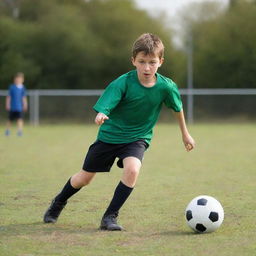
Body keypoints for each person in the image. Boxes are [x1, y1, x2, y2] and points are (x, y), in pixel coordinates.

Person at [43, 33, 195, 231]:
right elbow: (107, 103)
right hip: (109, 136)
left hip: (137, 138)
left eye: (152, 62)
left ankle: (109, 217)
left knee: (132, 169)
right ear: (133, 60)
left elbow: (177, 107)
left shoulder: (166, 87)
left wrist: (185, 134)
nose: (147, 67)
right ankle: (58, 202)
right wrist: (101, 114)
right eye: (142, 62)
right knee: (85, 178)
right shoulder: (123, 82)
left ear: (161, 62)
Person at [5, 72, 28, 136]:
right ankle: (7, 130)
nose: (18, 80)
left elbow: (24, 97)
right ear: (14, 80)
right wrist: (7, 104)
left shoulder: (23, 88)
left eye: (20, 79)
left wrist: (25, 104)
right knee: (10, 119)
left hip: (19, 107)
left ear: (22, 80)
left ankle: (20, 131)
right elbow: (9, 97)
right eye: (17, 79)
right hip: (12, 107)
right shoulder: (12, 87)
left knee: (20, 119)